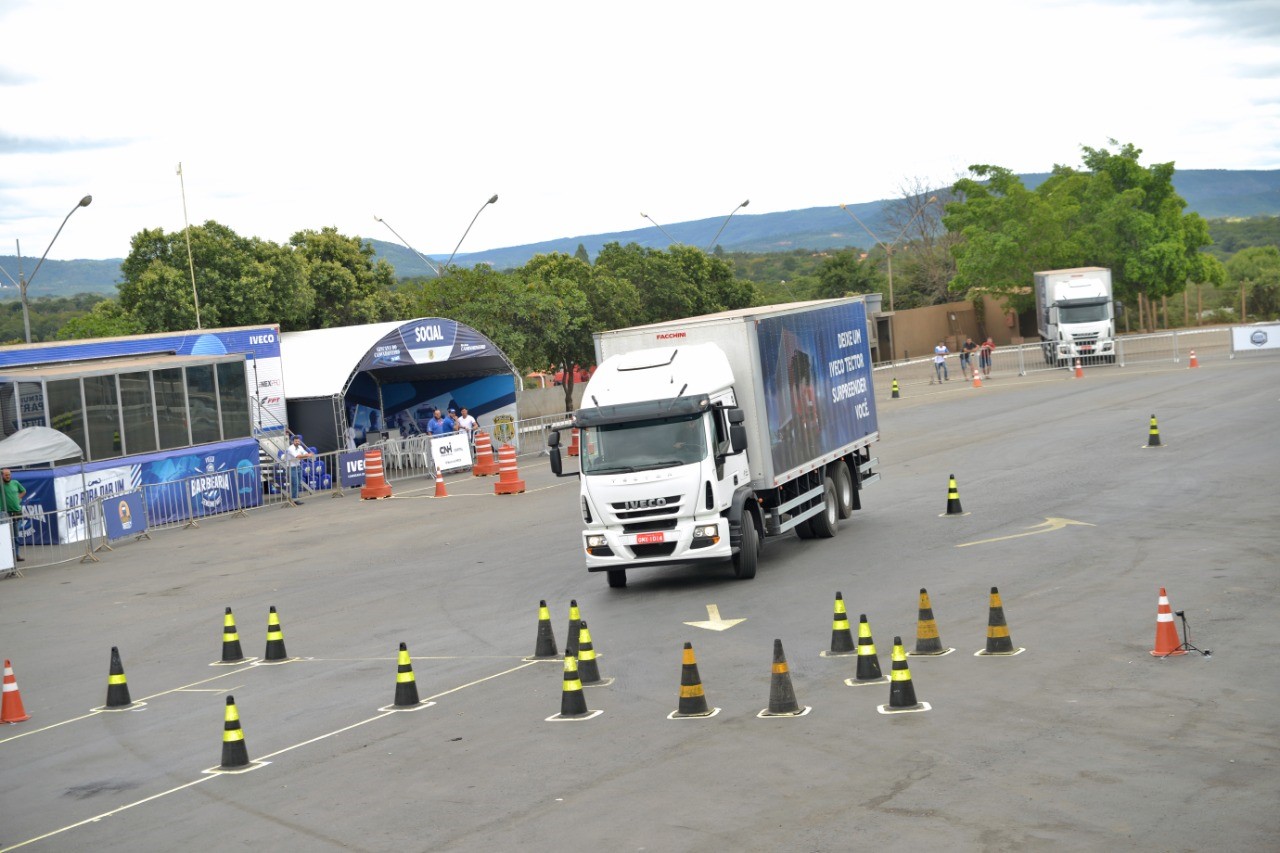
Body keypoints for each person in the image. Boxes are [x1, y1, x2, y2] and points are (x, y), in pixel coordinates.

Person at [3, 468, 26, 563]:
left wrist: (18, 498)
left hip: (16, 512)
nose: (8, 476)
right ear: (2, 475)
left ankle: (16, 555)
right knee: (5, 536)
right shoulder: (1, 485)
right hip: (4, 513)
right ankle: (6, 557)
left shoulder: (15, 483)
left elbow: (23, 491)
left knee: (15, 535)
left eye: (9, 474)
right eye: (5, 475)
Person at [286, 434, 312, 505]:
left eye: (298, 441)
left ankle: (295, 497)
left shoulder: (300, 447)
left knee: (298, 483)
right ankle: (294, 499)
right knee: (295, 483)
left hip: (298, 466)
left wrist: (306, 455)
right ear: (293, 442)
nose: (297, 442)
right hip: (291, 468)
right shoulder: (290, 448)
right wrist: (307, 455)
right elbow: (297, 456)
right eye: (296, 441)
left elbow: (304, 453)